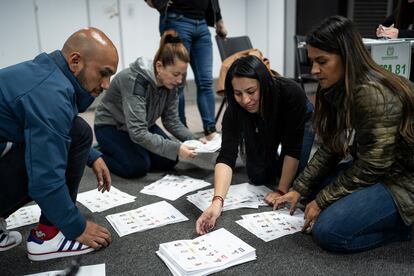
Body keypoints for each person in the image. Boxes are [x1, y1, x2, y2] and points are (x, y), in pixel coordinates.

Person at [274, 15, 414, 253]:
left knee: (329, 232)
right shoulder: (336, 85)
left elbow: (374, 165)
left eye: (322, 61)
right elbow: (331, 144)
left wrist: (324, 200)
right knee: (312, 194)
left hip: (403, 181)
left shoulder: (372, 94)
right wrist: (299, 188)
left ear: (346, 56)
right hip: (382, 169)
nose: (315, 70)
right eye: (312, 62)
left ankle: (405, 229)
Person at [0, 28, 118, 260]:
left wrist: (92, 156)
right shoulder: (50, 96)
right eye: (103, 73)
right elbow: (44, 181)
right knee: (79, 133)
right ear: (75, 61)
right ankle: (48, 237)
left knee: (76, 131)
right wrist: (77, 226)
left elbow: (52, 128)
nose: (106, 85)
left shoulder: (44, 75)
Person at [196, 55, 314, 235]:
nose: (245, 100)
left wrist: (281, 190)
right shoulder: (235, 110)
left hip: (297, 118)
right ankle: (273, 158)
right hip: (260, 120)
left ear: (263, 85)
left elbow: (293, 148)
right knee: (258, 176)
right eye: (238, 93)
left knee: (296, 178)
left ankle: (280, 168)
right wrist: (217, 202)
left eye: (251, 91)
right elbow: (226, 156)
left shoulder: (291, 92)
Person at [94, 30, 198, 179]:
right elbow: (138, 132)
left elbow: (171, 120)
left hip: (142, 126)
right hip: (111, 126)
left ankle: (132, 151)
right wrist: (176, 147)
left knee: (170, 158)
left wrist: (194, 139)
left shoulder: (171, 84)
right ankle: (95, 154)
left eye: (182, 74)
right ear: (159, 66)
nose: (180, 80)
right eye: (176, 74)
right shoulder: (134, 80)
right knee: (137, 167)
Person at [145, 0, 228, 139]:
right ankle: (182, 132)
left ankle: (210, 130)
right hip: (177, 19)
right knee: (177, 82)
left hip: (202, 24)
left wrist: (219, 21)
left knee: (206, 82)